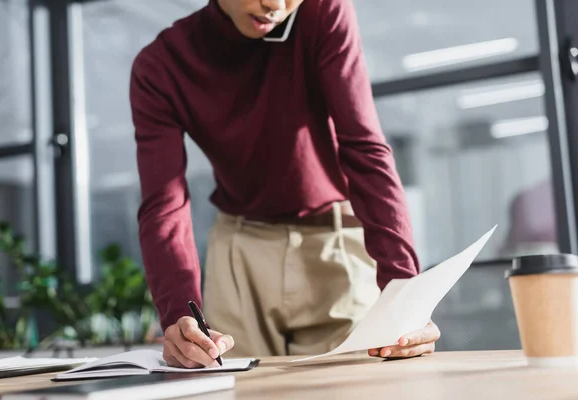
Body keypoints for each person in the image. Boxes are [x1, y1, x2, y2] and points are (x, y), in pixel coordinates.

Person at [130, 0, 440, 369]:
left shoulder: (324, 12)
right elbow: (165, 203)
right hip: (239, 257)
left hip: (335, 246)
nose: (275, 5)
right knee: (233, 390)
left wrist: (404, 290)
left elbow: (364, 149)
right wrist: (180, 315)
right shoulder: (160, 66)